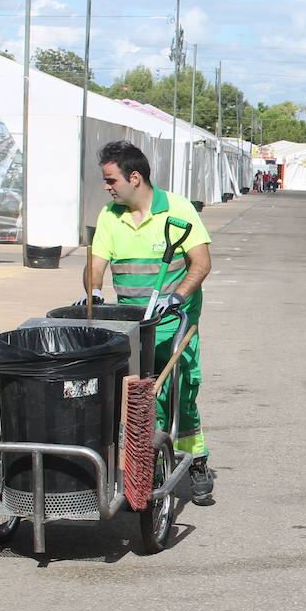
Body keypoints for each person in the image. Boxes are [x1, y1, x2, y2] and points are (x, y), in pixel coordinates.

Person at [80, 140, 215, 505]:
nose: (107, 187)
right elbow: (95, 267)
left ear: (134, 177)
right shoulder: (111, 216)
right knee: (141, 399)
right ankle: (149, 465)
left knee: (179, 396)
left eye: (111, 180)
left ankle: (196, 460)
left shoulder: (177, 208)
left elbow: (201, 264)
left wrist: (178, 296)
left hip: (174, 322)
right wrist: (92, 292)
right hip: (134, 327)